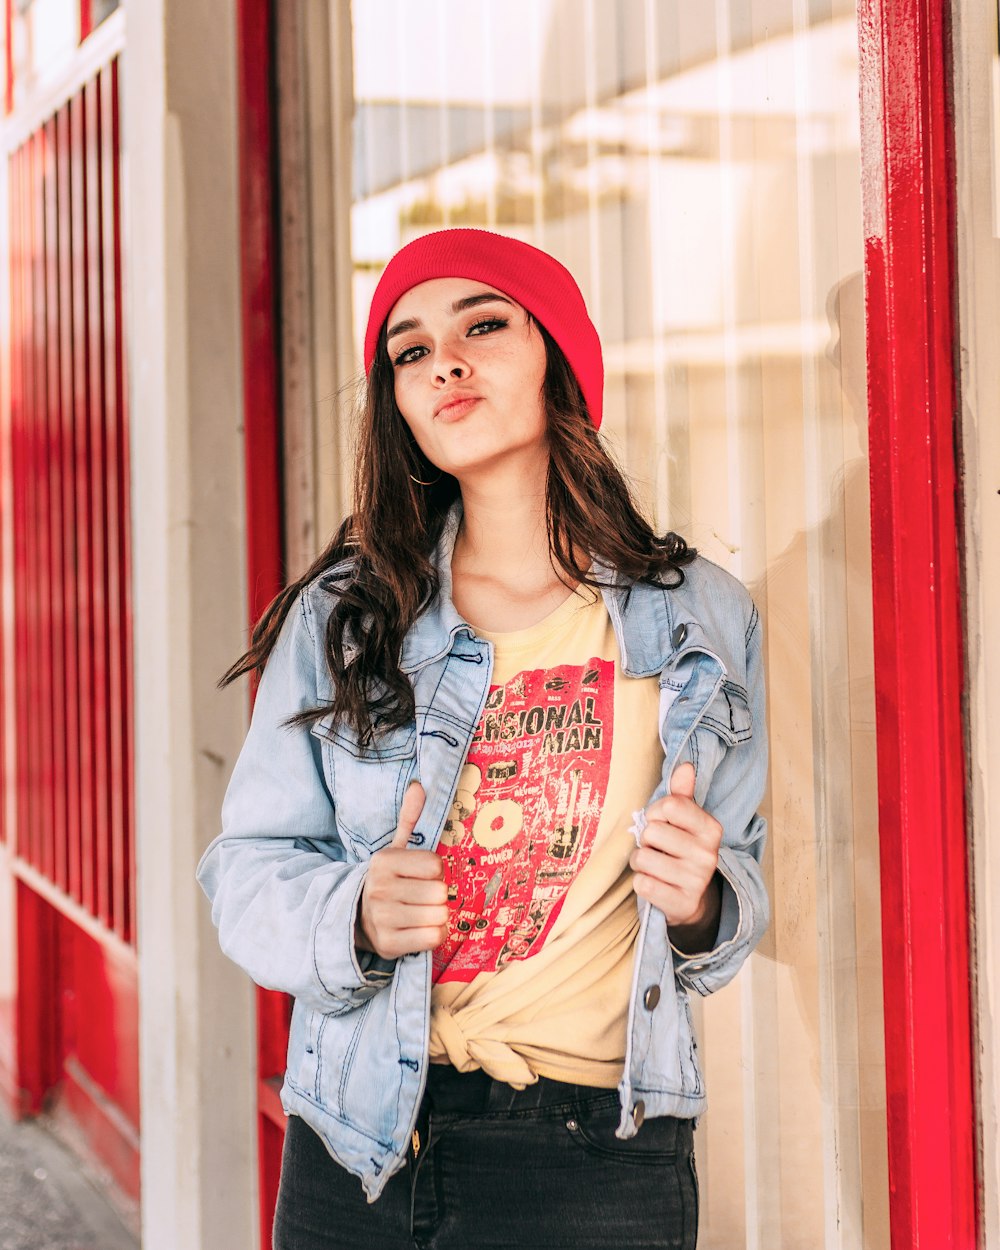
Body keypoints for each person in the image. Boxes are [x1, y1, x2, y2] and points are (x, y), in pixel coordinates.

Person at [197, 228, 769, 1250]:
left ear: (557, 356)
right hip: (362, 1138)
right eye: (410, 350)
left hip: (594, 1153)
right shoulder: (348, 613)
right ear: (399, 404)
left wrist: (701, 899)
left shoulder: (700, 620)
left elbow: (735, 896)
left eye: (483, 325)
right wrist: (355, 912)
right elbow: (244, 869)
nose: (444, 361)